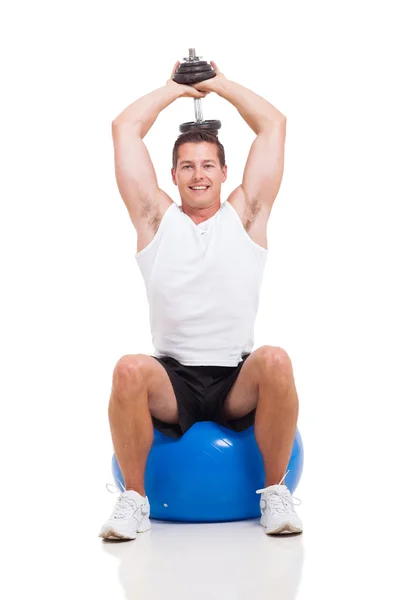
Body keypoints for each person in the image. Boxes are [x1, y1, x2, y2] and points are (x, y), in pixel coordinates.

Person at [99, 61, 303, 540]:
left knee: (275, 360)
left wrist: (220, 85)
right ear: (172, 173)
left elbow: (273, 125)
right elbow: (124, 128)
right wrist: (173, 90)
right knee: (129, 368)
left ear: (224, 171)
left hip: (236, 379)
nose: (198, 175)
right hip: (174, 380)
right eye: (187, 166)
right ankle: (134, 501)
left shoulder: (247, 215)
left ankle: (275, 494)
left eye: (208, 165)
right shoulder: (154, 219)